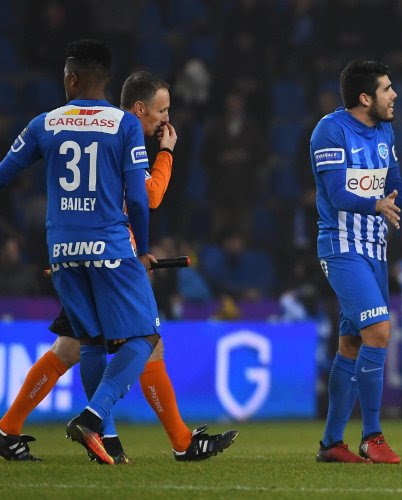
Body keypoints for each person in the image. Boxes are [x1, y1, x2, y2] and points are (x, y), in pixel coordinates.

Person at [0, 70, 237, 463]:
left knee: (77, 344)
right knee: (144, 341)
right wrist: (168, 153)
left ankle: (22, 429)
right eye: (162, 111)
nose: (166, 120)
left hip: (74, 251)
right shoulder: (124, 134)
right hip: (111, 260)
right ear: (139, 108)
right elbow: (150, 195)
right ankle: (117, 430)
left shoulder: (90, 129)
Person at [312, 60, 402, 464]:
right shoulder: (330, 130)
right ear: (365, 97)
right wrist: (376, 203)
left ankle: (333, 443)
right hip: (341, 246)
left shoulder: (385, 129)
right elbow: (336, 194)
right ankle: (373, 435)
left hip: (375, 250)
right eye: (387, 89)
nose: (395, 95)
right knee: (380, 330)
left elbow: (393, 182)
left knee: (352, 343)